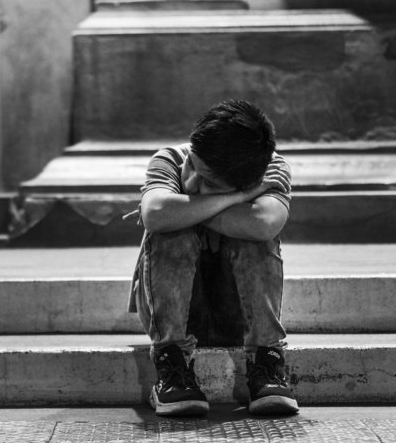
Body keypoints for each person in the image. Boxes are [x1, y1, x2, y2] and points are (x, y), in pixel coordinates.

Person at [127, 99, 296, 417]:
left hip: (239, 315)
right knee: (170, 233)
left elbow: (263, 224)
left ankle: (266, 364)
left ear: (247, 179)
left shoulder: (268, 168)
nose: (191, 181)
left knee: (254, 239)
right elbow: (156, 214)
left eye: (208, 181)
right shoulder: (170, 158)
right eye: (193, 165)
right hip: (173, 314)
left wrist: (184, 210)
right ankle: (171, 368)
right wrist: (239, 198)